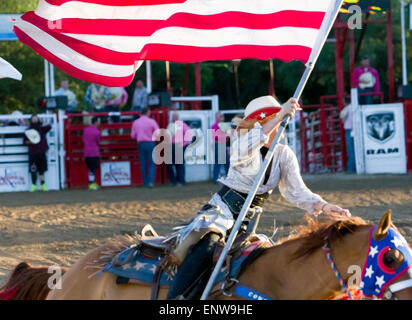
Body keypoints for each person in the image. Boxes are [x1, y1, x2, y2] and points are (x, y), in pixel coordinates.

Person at [166, 95, 351, 300]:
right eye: (279, 121)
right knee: (207, 246)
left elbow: (297, 191)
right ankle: (176, 299)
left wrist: (325, 206)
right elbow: (246, 147)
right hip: (220, 214)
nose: (282, 126)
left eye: (284, 121)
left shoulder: (284, 155)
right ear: (263, 123)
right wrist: (279, 114)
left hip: (247, 224)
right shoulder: (241, 145)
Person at [130, 108, 160, 188]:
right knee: (151, 164)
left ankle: (145, 183)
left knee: (143, 164)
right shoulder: (152, 121)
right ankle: (151, 182)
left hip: (141, 143)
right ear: (147, 113)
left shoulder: (135, 122)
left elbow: (132, 135)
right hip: (150, 143)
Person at [24, 115, 52, 192]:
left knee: (41, 170)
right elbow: (25, 142)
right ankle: (34, 185)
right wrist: (31, 141)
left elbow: (49, 126)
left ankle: (43, 185)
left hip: (41, 152)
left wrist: (42, 121)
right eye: (33, 118)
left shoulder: (41, 129)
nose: (35, 120)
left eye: (36, 118)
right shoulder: (28, 130)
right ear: (31, 120)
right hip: (33, 153)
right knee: (33, 170)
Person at [166, 112, 193, 186]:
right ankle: (174, 181)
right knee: (170, 165)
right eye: (173, 116)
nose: (173, 118)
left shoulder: (182, 125)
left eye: (175, 116)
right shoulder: (171, 125)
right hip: (171, 146)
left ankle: (181, 181)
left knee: (179, 164)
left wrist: (184, 144)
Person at [211, 112, 230, 184]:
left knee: (227, 162)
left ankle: (229, 179)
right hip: (218, 145)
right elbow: (215, 136)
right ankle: (215, 179)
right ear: (217, 117)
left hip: (223, 145)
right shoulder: (215, 126)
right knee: (218, 163)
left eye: (223, 116)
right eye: (221, 116)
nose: (222, 117)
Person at [83, 117, 101, 190]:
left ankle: (91, 183)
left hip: (87, 152)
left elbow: (83, 140)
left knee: (90, 169)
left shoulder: (86, 130)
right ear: (96, 122)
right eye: (99, 121)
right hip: (94, 152)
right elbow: (98, 140)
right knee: (93, 169)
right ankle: (91, 183)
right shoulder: (97, 131)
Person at [340, 100, 356, 173]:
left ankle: (351, 169)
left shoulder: (348, 107)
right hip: (356, 130)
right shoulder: (356, 106)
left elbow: (342, 115)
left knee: (350, 150)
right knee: (354, 150)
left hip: (349, 130)